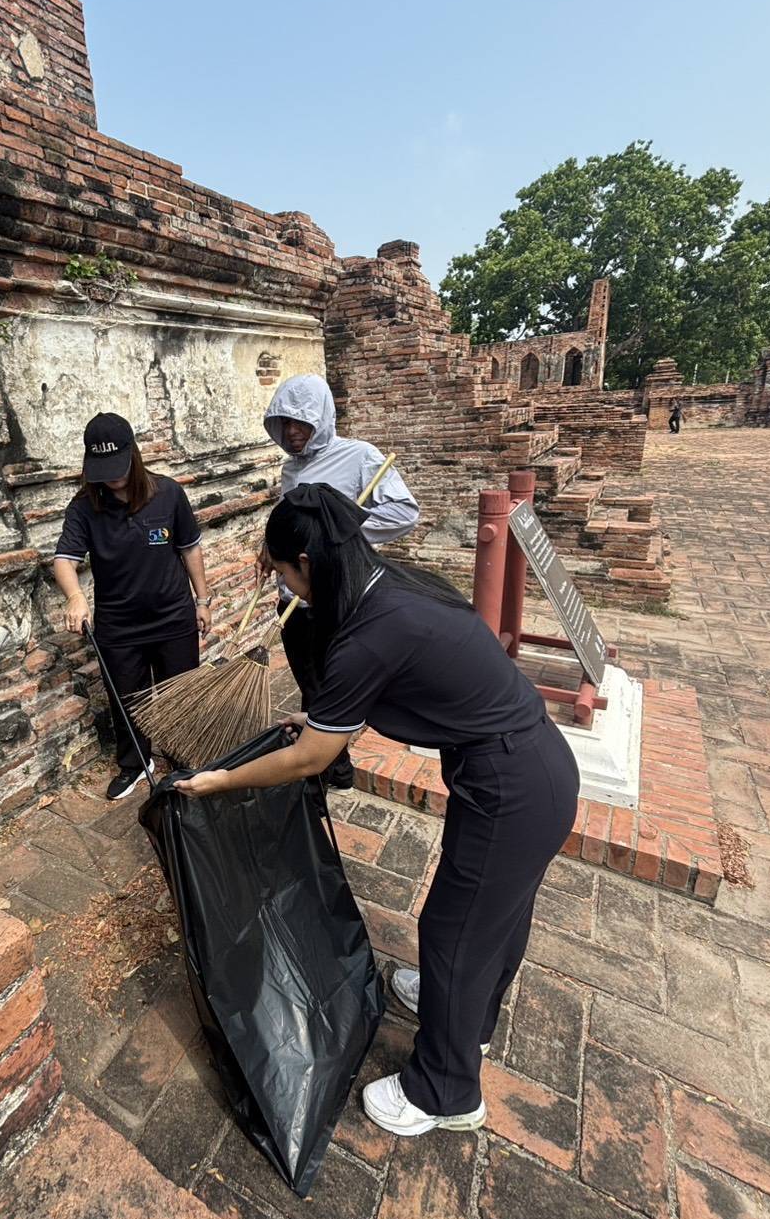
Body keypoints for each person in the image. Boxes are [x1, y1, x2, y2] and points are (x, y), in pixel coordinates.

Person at [178, 483, 579, 1139]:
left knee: (454, 928)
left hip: (513, 785)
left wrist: (222, 779)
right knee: (494, 916)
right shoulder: (391, 585)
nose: (285, 586)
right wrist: (321, 718)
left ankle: (446, 1090)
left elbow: (309, 760)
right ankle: (467, 1022)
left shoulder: (368, 633)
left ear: (306, 561)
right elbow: (376, 695)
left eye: (281, 572)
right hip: (533, 766)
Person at [259, 373, 420, 789]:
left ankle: (330, 768)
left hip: (337, 601)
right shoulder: (289, 470)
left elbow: (404, 512)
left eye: (301, 423)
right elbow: (293, 523)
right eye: (284, 423)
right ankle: (322, 758)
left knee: (328, 689)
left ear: (322, 418)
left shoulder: (360, 455)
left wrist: (340, 534)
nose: (293, 433)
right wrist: (272, 548)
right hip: (293, 601)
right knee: (309, 683)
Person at [53, 413, 212, 800]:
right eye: (102, 470)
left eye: (118, 467)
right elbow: (64, 559)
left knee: (180, 693)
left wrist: (202, 600)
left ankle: (183, 755)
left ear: (134, 454)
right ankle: (136, 764)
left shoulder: (169, 493)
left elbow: (189, 547)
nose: (112, 477)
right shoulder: (84, 507)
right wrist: (75, 596)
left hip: (173, 616)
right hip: (119, 625)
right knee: (127, 700)